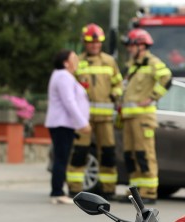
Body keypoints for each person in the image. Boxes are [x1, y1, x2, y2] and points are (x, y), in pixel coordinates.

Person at [66, 24, 123, 199]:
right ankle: (74, 189)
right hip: (83, 119)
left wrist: (115, 93)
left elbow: (118, 83)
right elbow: (69, 85)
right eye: (91, 43)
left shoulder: (109, 61)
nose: (94, 46)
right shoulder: (77, 61)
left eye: (97, 42)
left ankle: (108, 189)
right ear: (84, 42)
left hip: (105, 118)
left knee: (107, 154)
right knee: (79, 153)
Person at [119, 28, 172, 204]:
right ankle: (135, 192)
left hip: (143, 118)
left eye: (131, 45)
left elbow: (167, 78)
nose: (129, 49)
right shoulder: (132, 65)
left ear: (141, 45)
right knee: (131, 155)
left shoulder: (152, 62)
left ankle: (149, 192)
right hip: (129, 118)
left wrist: (152, 97)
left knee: (144, 154)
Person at [45, 50, 91, 205]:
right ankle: (57, 192)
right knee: (61, 158)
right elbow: (69, 102)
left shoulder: (63, 76)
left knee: (62, 158)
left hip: (63, 123)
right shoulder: (63, 76)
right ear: (65, 62)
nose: (77, 60)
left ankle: (58, 191)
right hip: (62, 123)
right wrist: (82, 123)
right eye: (73, 58)